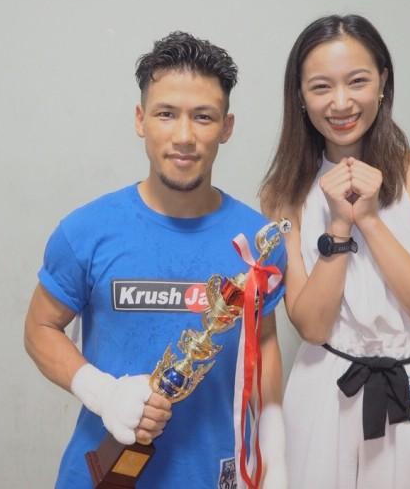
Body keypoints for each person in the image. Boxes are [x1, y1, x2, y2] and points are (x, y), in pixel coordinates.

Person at [24, 31, 287, 489]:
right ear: (140, 120)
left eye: (203, 117)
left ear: (226, 127)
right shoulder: (86, 230)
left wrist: (275, 455)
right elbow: (39, 328)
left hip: (214, 475)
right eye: (166, 114)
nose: (184, 136)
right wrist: (104, 393)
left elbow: (261, 343)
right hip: (104, 477)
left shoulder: (257, 241)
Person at [260, 15, 410, 489]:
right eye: (321, 87)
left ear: (383, 82)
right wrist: (338, 225)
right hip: (322, 385)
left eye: (357, 81)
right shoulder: (283, 193)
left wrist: (369, 219)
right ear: (300, 96)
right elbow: (312, 326)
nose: (341, 102)